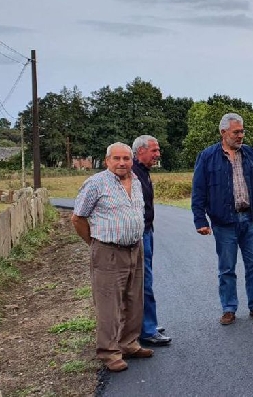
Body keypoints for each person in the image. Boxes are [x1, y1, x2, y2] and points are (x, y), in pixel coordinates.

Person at [71, 142, 153, 372]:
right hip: (108, 250)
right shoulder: (96, 184)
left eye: (126, 158)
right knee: (109, 304)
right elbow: (78, 218)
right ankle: (108, 352)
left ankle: (128, 343)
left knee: (134, 300)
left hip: (134, 248)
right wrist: (95, 243)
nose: (121, 163)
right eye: (116, 158)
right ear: (107, 160)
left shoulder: (136, 180)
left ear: (131, 160)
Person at [192, 113, 253, 325]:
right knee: (227, 268)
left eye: (242, 131)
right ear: (223, 132)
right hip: (224, 222)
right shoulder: (207, 156)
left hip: (250, 218)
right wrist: (200, 220)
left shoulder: (251, 154)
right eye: (236, 132)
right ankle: (229, 308)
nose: (240, 135)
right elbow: (198, 190)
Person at [132, 135, 172, 346]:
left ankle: (147, 323)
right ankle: (146, 330)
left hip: (148, 230)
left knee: (146, 279)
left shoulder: (143, 172)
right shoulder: (132, 174)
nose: (158, 155)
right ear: (141, 151)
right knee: (143, 281)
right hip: (138, 234)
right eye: (154, 151)